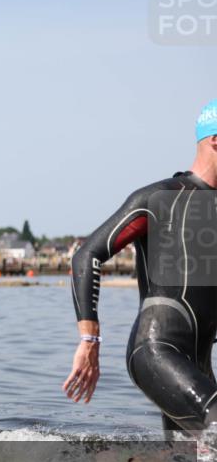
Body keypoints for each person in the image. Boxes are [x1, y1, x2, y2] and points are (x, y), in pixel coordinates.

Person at [64, 99, 217, 434]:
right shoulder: (162, 198)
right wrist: (90, 341)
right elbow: (86, 255)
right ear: (214, 140)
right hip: (156, 350)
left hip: (199, 363)